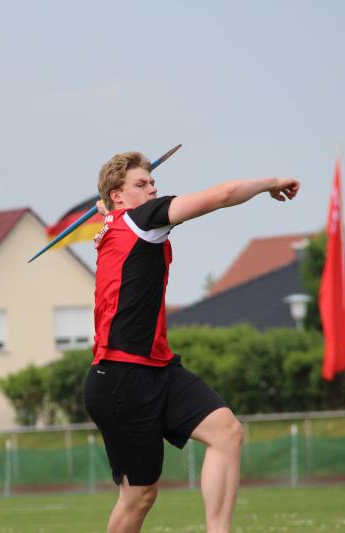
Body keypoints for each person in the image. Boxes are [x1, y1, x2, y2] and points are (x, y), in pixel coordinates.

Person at [83, 151, 300, 533]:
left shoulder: (113, 225)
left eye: (153, 183)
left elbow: (112, 216)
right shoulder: (141, 218)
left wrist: (108, 208)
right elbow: (222, 195)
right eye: (141, 184)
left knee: (226, 432)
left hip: (158, 367)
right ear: (117, 195)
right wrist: (271, 183)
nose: (153, 189)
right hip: (120, 378)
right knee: (139, 497)